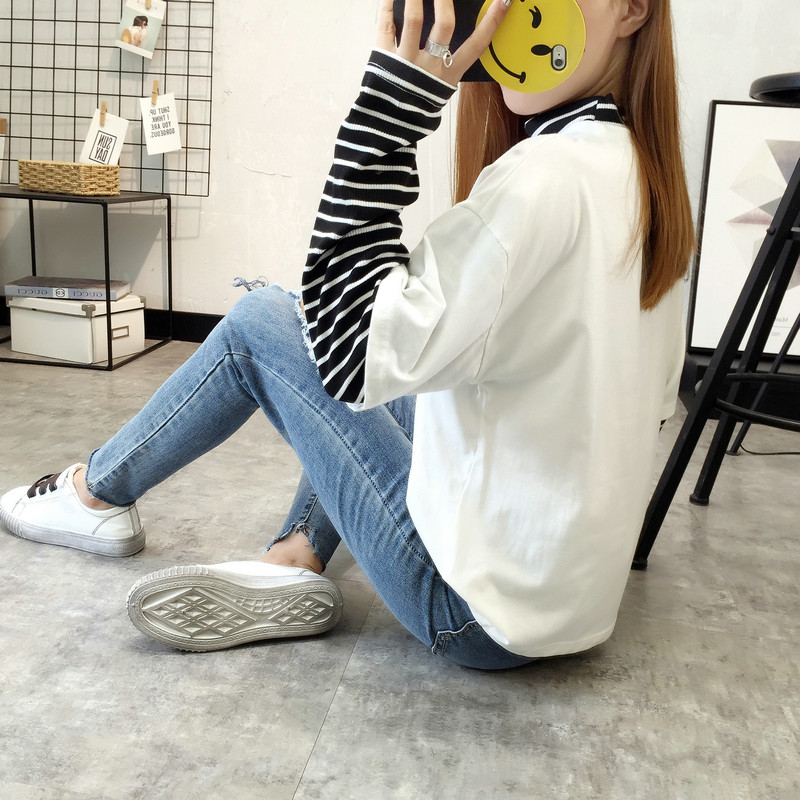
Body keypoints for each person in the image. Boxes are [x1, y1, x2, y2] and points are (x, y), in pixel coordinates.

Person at [0, 0, 694, 670]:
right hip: (572, 603)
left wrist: (392, 112)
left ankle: (96, 495)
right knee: (412, 374)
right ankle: (296, 555)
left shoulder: (541, 177)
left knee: (261, 322)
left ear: (633, 8)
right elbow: (655, 401)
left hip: (472, 613)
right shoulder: (647, 178)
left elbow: (351, 354)